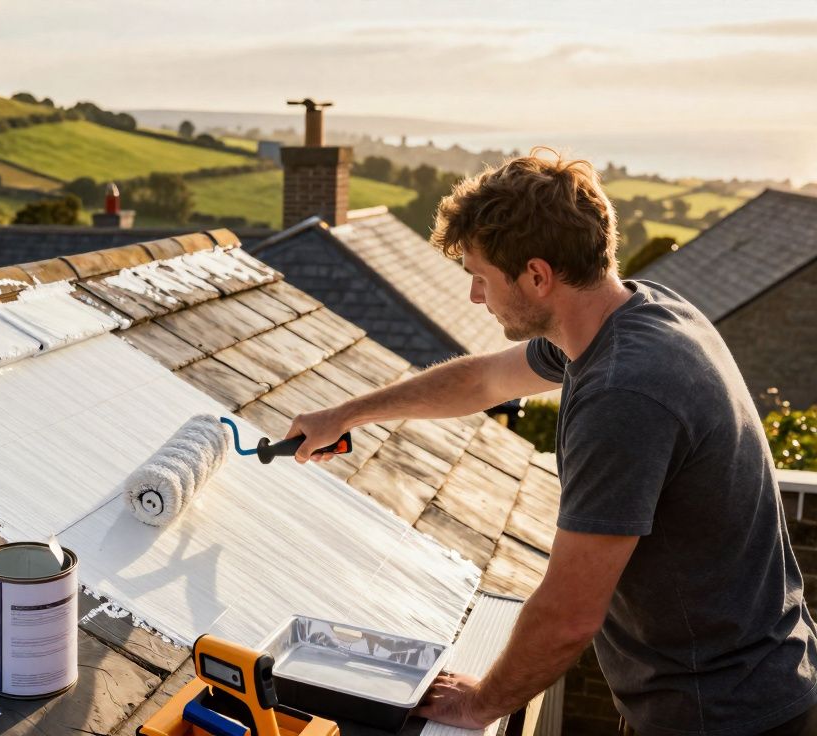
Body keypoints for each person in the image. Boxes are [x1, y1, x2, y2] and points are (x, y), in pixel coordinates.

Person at [285, 151, 817, 735]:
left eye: (481, 278)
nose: (475, 296)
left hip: (721, 715)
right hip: (729, 690)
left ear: (537, 277)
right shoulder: (639, 312)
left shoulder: (624, 392)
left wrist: (479, 704)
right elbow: (483, 380)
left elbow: (568, 616)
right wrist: (346, 414)